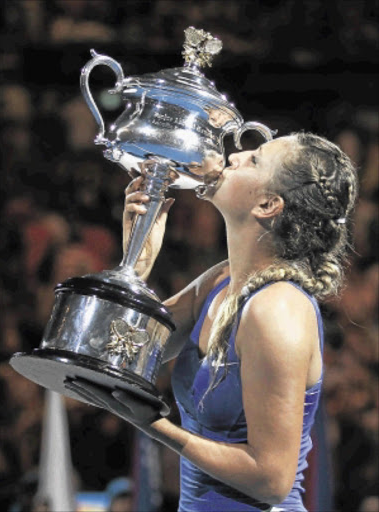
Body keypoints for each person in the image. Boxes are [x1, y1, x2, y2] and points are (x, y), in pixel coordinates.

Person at [66, 132, 358, 511]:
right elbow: (116, 353)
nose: (234, 156)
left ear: (269, 204)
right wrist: (134, 267)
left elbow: (272, 480)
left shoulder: (277, 309)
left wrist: (154, 425)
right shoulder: (220, 282)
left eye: (254, 159)